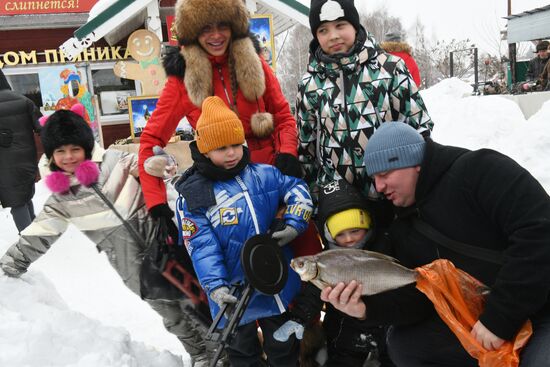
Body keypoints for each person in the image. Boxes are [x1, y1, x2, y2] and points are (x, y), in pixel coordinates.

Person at [321, 122, 550, 366]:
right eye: (375, 178)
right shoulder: (404, 226)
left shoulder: (480, 170)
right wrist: (364, 309)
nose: (379, 187)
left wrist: (500, 318)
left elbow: (540, 231)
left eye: (385, 174)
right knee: (405, 345)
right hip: (478, 321)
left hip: (539, 306)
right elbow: (418, 300)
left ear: (414, 163)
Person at [0, 106, 213, 367]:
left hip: (166, 244)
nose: (69, 157)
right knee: (172, 315)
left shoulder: (116, 160)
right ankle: (201, 355)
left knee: (197, 302)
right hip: (133, 266)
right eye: (60, 151)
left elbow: (152, 167)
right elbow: (38, 234)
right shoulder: (62, 199)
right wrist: (8, 265)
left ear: (87, 147)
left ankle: (222, 352)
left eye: (74, 149)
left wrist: (162, 162)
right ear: (52, 155)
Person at [138, 0, 321, 260]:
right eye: (205, 28)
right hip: (225, 191)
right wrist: (157, 204)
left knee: (305, 254)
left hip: (271, 178)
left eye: (222, 25)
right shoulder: (182, 80)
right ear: (191, 31)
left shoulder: (253, 61)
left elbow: (282, 116)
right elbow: (150, 141)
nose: (216, 35)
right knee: (248, 267)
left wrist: (287, 154)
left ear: (234, 25)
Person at [170, 96, 313, 366]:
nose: (232, 153)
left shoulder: (262, 174)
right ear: (204, 149)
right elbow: (200, 244)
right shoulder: (195, 195)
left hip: (274, 283)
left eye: (236, 144)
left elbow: (297, 188)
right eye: (222, 147)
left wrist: (295, 223)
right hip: (232, 293)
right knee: (242, 354)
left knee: (284, 348)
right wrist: (214, 285)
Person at [296, 0, 433, 203]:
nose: (333, 36)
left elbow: (419, 128)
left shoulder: (390, 68)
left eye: (340, 25)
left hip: (391, 193)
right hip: (340, 201)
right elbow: (306, 149)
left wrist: (416, 183)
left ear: (354, 25)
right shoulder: (310, 84)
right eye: (323, 30)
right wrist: (317, 199)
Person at [274, 178, 394, 367]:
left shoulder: (384, 248)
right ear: (329, 234)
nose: (348, 239)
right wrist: (298, 318)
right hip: (342, 334)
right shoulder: (324, 260)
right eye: (340, 234)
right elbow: (313, 294)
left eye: (355, 231)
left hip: (386, 332)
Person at [0, 69, 42, 234]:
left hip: (4, 164)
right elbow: (42, 126)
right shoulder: (23, 100)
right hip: (27, 158)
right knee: (25, 195)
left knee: (17, 201)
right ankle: (33, 227)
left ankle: (28, 237)